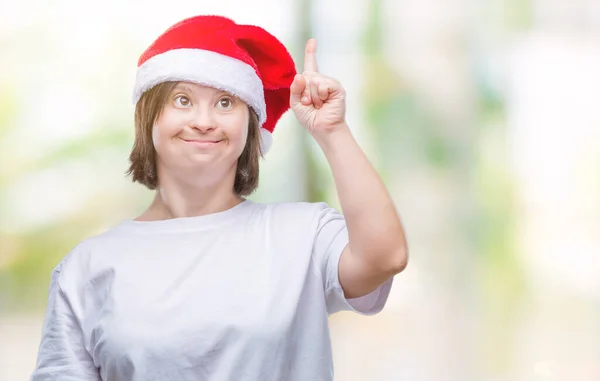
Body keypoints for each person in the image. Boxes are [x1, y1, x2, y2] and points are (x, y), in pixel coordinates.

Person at [30, 15, 408, 381]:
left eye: (225, 102)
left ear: (250, 126)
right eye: (182, 100)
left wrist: (333, 131)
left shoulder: (303, 234)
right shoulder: (87, 267)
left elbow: (385, 256)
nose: (204, 120)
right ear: (149, 119)